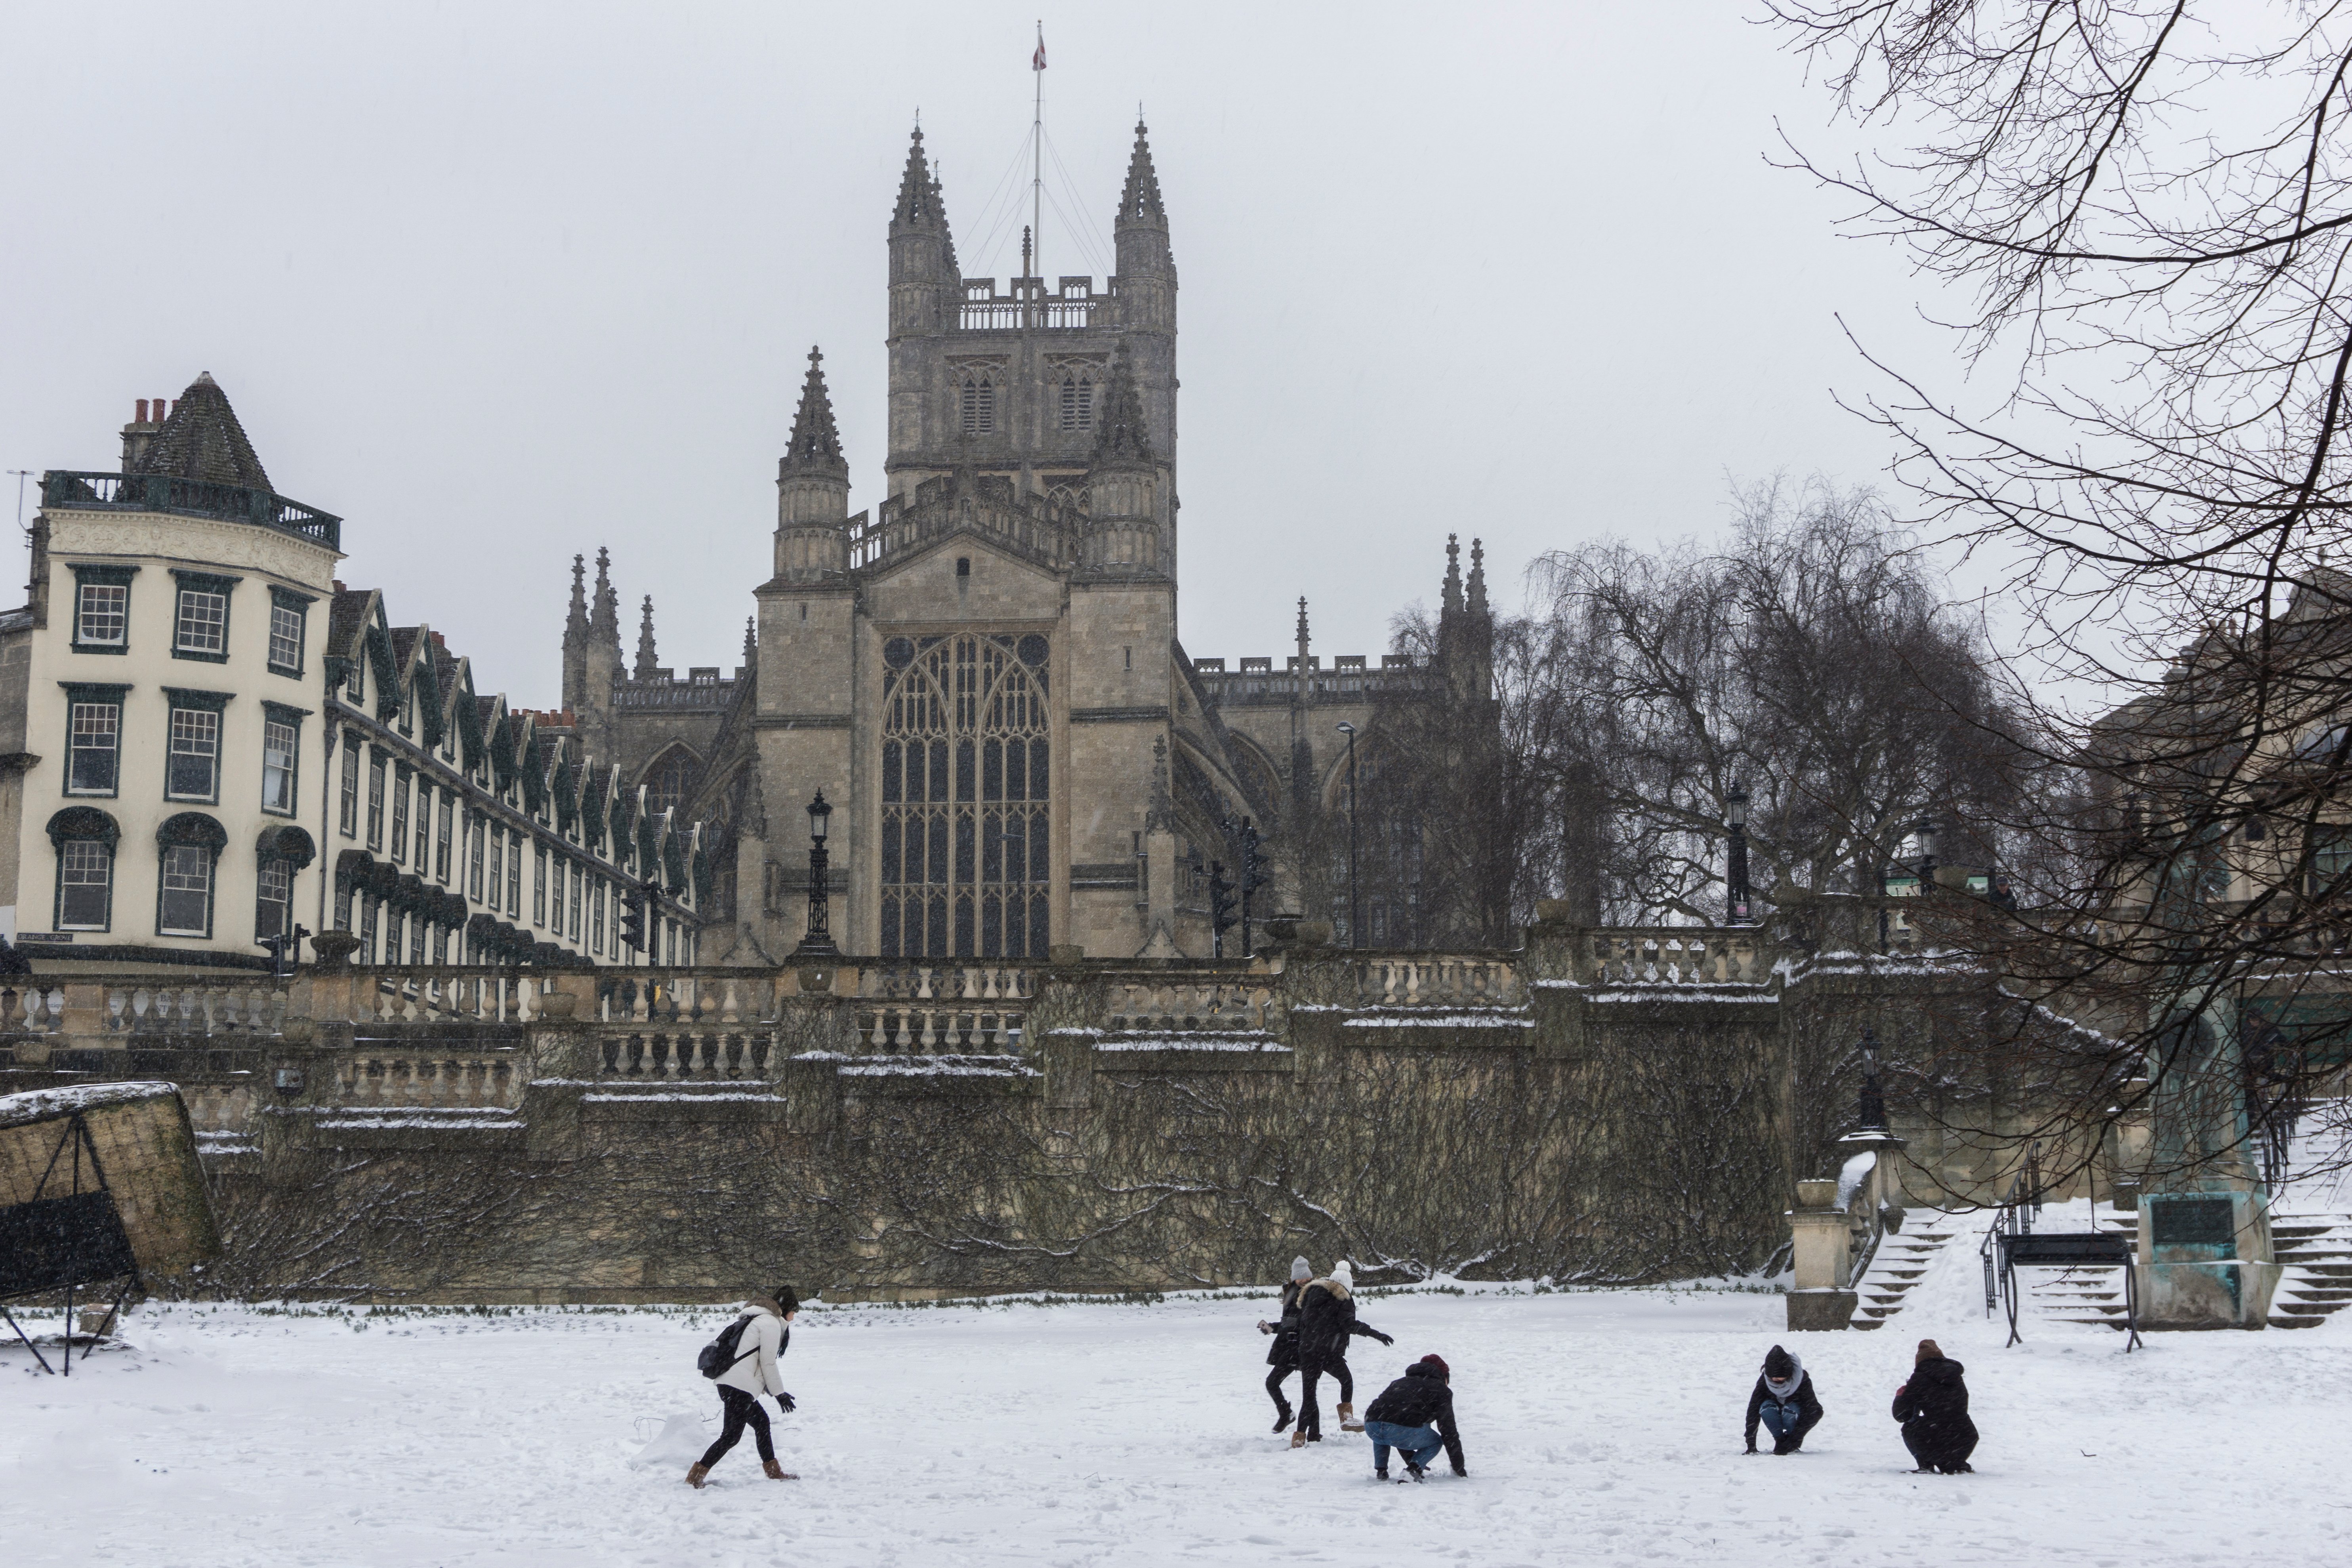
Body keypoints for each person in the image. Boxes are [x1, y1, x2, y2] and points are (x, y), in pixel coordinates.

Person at [687, 1286, 800, 1488]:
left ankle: (774, 1472)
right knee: (731, 1437)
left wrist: (775, 1392)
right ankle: (695, 1477)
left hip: (732, 1384)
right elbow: (768, 1363)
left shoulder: (756, 1320)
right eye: (794, 1312)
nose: (794, 1317)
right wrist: (779, 1393)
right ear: (787, 1308)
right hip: (738, 1386)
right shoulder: (771, 1323)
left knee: (762, 1423)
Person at [1290, 1259, 1393, 1447]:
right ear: (1347, 1285)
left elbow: (1302, 1325)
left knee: (1309, 1396)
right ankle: (1346, 1418)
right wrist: (1375, 1334)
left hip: (1308, 1352)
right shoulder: (1343, 1298)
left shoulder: (1311, 1295)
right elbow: (1350, 1325)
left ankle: (1299, 1439)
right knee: (1346, 1380)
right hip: (1328, 1353)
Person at [1363, 1354, 1467, 1481]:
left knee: (1383, 1423)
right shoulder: (1441, 1389)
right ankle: (1413, 1471)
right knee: (1436, 1442)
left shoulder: (1400, 1382)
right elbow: (1448, 1431)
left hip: (1371, 1425)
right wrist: (1459, 1467)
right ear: (1444, 1376)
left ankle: (1381, 1470)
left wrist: (1410, 1457)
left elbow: (1394, 1419)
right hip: (1400, 1428)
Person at [1892, 1338, 1977, 1474]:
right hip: (1966, 1436)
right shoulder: (1956, 1377)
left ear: (1919, 1361)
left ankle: (1926, 1466)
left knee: (1909, 1427)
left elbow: (1902, 1415)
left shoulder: (1920, 1378)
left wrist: (1901, 1396)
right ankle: (1957, 1463)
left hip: (1934, 1437)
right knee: (1952, 1421)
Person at [1256, 1256, 1312, 1431]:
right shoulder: (1291, 1292)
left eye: (1306, 1276)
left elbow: (1309, 1322)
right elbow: (1289, 1322)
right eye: (1300, 1276)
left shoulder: (1314, 1292)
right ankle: (1286, 1413)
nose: (1304, 1280)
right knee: (1272, 1383)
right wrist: (1273, 1327)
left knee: (1309, 1393)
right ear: (1294, 1277)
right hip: (1289, 1348)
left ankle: (1312, 1432)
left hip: (1305, 1348)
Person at [1743, 1344, 1823, 1455]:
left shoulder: (1802, 1380)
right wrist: (1751, 1443)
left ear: (1789, 1374)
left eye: (1779, 1377)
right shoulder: (1764, 1381)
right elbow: (1753, 1409)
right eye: (1772, 1377)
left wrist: (1793, 1441)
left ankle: (1790, 1444)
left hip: (1795, 1414)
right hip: (1774, 1413)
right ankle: (1780, 1440)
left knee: (1790, 1409)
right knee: (1766, 1407)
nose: (1775, 1380)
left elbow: (1814, 1411)